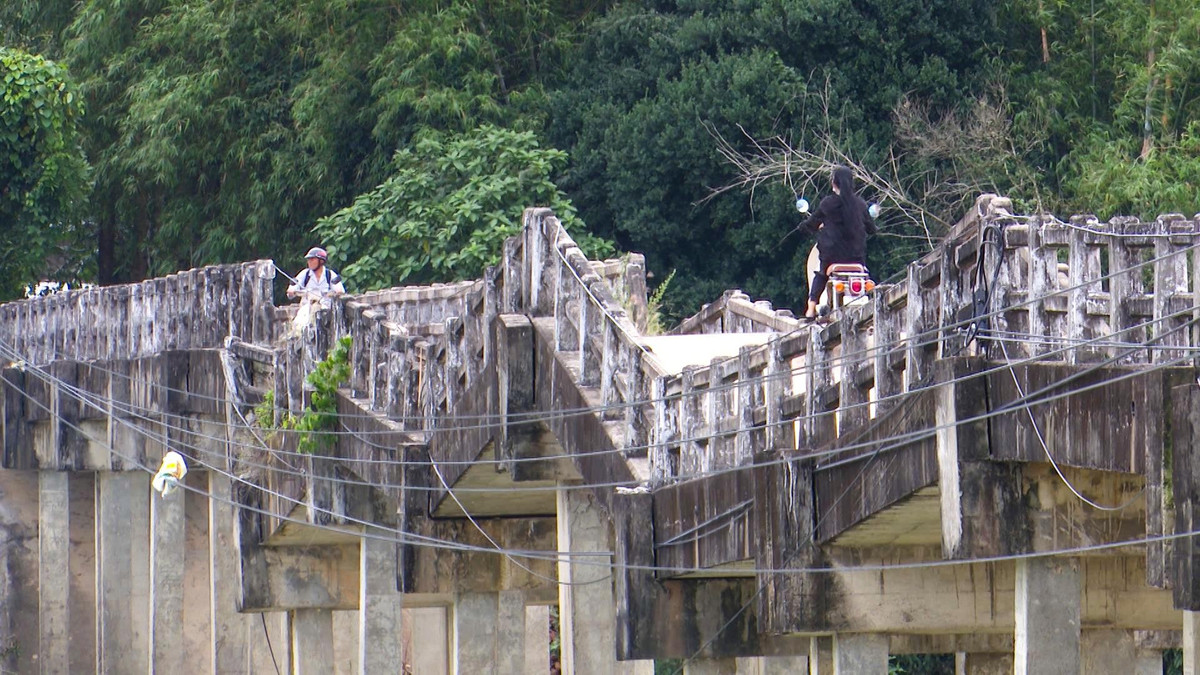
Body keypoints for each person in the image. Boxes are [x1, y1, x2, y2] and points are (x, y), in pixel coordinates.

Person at [797, 166, 877, 319]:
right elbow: (872, 229)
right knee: (865, 274)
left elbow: (811, 223)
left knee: (821, 274)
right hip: (856, 257)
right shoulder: (860, 204)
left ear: (834, 183)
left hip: (832, 257)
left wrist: (802, 227)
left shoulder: (827, 204)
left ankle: (811, 309)